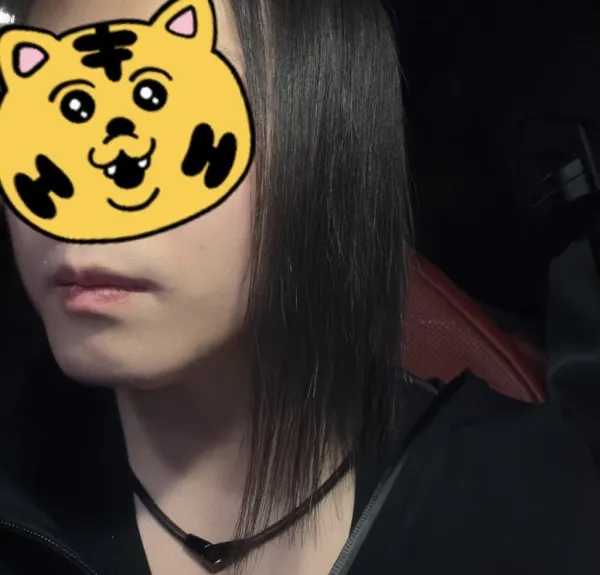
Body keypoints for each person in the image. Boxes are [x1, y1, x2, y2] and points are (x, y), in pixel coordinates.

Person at [1, 0, 600, 574]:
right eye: (45, 122)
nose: (78, 223)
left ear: (329, 149)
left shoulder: (530, 506)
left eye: (164, 102)